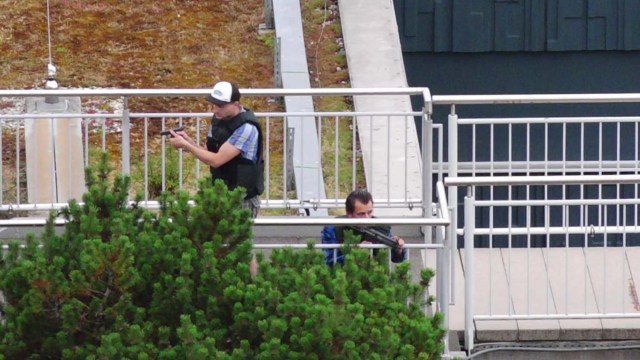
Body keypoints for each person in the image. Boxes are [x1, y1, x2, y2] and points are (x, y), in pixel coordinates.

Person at [169, 81, 264, 218]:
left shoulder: (246, 128)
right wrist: (189, 142)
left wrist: (186, 145)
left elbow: (216, 160)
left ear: (236, 105)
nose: (215, 109)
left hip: (241, 199)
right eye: (213, 104)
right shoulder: (219, 120)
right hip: (220, 193)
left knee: (236, 240)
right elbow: (212, 155)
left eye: (220, 105)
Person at [321, 189, 406, 266]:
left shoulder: (380, 226)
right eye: (361, 214)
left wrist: (398, 249)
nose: (367, 218)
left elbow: (395, 258)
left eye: (369, 212)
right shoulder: (333, 227)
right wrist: (357, 253)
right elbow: (329, 261)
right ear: (349, 213)